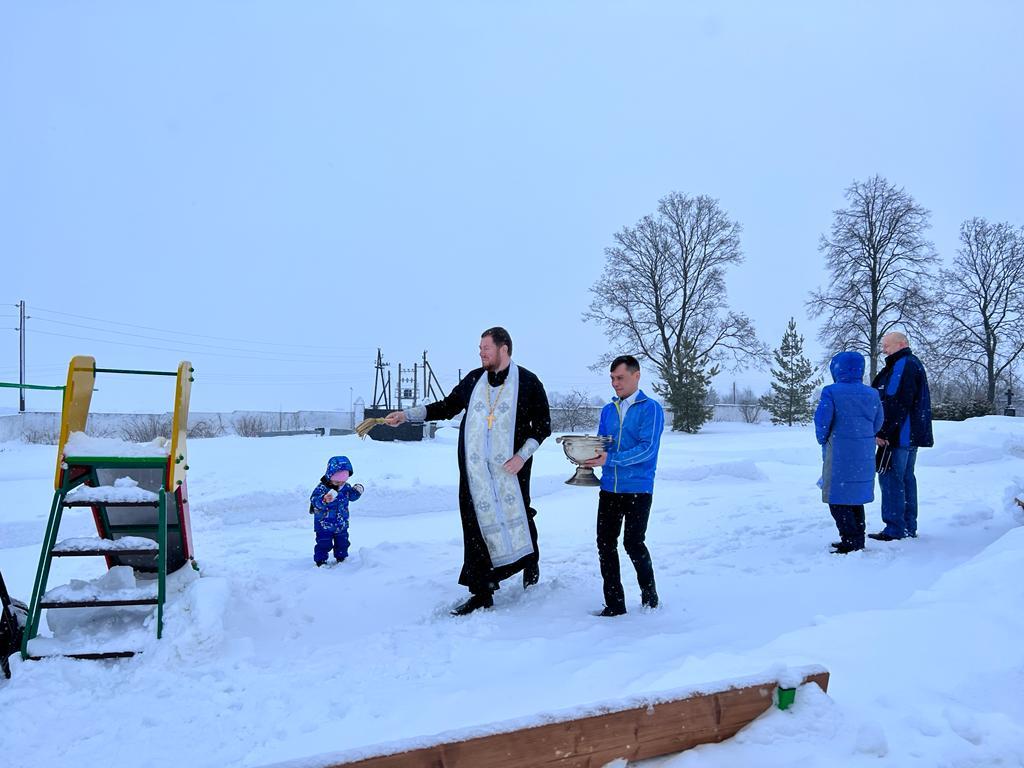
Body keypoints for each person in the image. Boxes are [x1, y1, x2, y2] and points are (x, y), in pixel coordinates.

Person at [384, 327, 551, 616]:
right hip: (475, 474)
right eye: (480, 348)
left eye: (486, 348)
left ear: (504, 348)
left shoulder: (528, 382)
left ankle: (529, 560)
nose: (481, 353)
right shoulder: (474, 379)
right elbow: (447, 407)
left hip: (511, 470)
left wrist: (522, 457)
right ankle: (482, 590)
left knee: (520, 514)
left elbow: (543, 426)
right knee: (474, 527)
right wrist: (407, 415)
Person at [581, 355, 665, 616]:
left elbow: (647, 449)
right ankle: (615, 604)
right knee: (605, 545)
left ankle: (650, 597)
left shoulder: (651, 409)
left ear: (636, 375)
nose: (615, 383)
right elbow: (603, 444)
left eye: (620, 378)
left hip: (638, 489)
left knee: (633, 543)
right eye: (612, 378)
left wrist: (610, 459)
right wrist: (588, 457)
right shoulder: (608, 410)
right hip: (609, 489)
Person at [814, 351, 883, 554]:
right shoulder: (872, 393)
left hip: (839, 452)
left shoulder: (831, 392)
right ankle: (857, 538)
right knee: (855, 496)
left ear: (837, 369)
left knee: (837, 497)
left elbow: (822, 421)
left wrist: (823, 439)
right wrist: (864, 435)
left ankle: (850, 541)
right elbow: (878, 422)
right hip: (864, 451)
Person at [869, 332, 933, 541]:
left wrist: (883, 430)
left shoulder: (903, 364)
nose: (884, 350)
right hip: (909, 434)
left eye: (887, 345)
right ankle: (907, 527)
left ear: (902, 344)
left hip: (899, 434)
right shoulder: (910, 363)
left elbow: (895, 400)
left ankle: (895, 528)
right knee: (905, 478)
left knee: (891, 478)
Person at [309, 455, 364, 566]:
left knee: (343, 543)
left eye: (342, 481)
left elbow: (351, 496)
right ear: (330, 476)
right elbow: (314, 500)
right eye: (337, 482)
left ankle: (341, 558)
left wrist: (357, 491)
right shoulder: (322, 488)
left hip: (341, 523)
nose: (340, 484)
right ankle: (320, 561)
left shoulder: (346, 487)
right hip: (324, 524)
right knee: (323, 544)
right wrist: (323, 499)